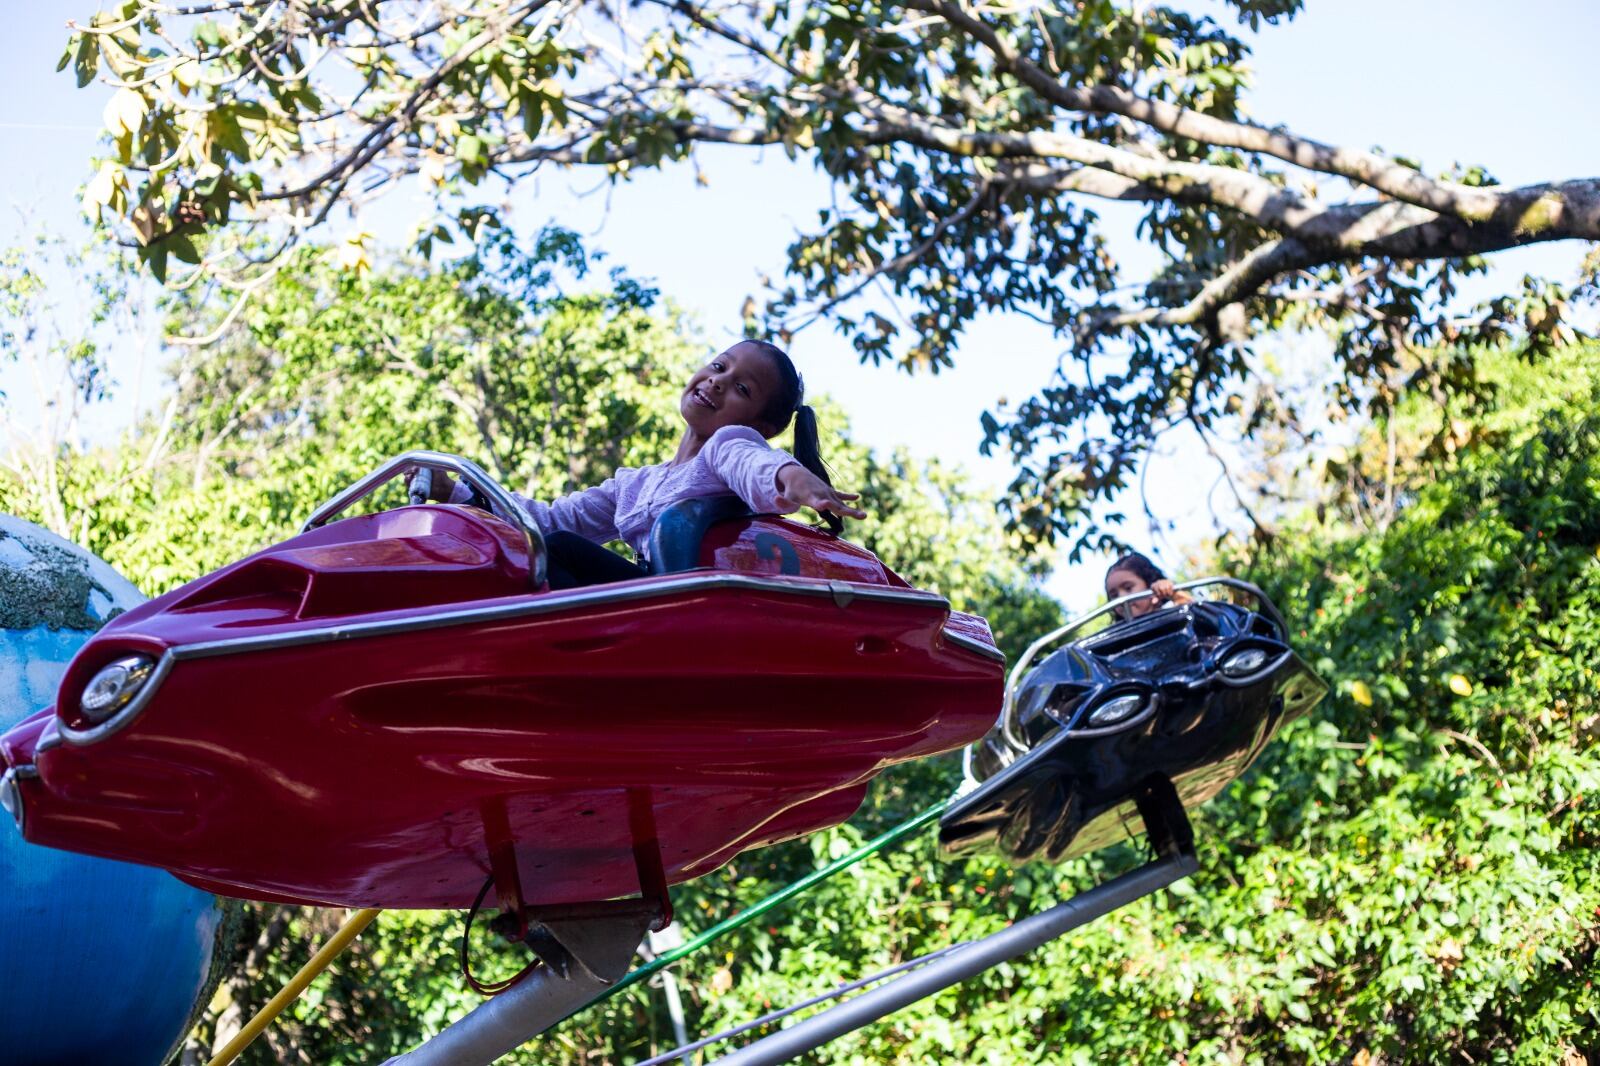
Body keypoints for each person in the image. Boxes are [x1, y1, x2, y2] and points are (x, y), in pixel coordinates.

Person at [414, 339, 867, 589]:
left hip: (671, 606)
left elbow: (751, 463)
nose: (718, 382)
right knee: (546, 542)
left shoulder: (725, 447)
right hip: (644, 596)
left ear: (761, 426)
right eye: (719, 366)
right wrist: (457, 492)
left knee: (561, 550)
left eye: (742, 389)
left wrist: (792, 477)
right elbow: (547, 519)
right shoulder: (636, 484)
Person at [1104, 551, 1192, 620]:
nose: (1121, 598)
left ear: (1149, 585)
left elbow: (1192, 610)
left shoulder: (1170, 613)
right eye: (1114, 595)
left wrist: (1172, 593)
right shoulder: (1117, 633)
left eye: (1128, 588)